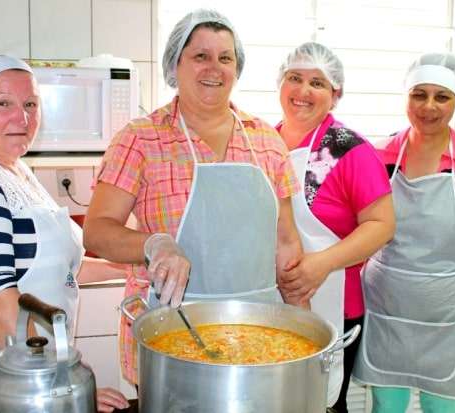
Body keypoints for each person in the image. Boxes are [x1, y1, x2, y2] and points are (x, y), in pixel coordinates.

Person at [83, 9, 303, 386]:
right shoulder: (140, 138)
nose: (213, 69)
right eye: (200, 56)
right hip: (169, 333)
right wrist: (156, 244)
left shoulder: (267, 140)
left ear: (237, 68)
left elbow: (285, 242)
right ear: (175, 64)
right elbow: (97, 232)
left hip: (257, 336)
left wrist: (304, 327)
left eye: (225, 58)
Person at [0, 55, 129, 413]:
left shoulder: (17, 170)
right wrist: (63, 385)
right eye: (3, 103)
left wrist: (127, 271)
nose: (21, 118)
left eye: (30, 104)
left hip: (31, 375)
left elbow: (65, 268)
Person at [352, 52, 455, 413]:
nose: (428, 106)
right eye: (418, 94)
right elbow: (358, 228)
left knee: (441, 406)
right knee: (386, 405)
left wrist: (453, 270)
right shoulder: (377, 156)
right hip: (388, 302)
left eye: (441, 96)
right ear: (406, 96)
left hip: (448, 310)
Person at [275, 42, 395, 412]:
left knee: (321, 402)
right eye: (295, 78)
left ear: (335, 94)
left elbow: (382, 224)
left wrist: (322, 263)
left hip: (334, 302)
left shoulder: (350, 150)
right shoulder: (260, 140)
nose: (303, 91)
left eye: (318, 83)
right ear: (280, 84)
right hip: (270, 297)